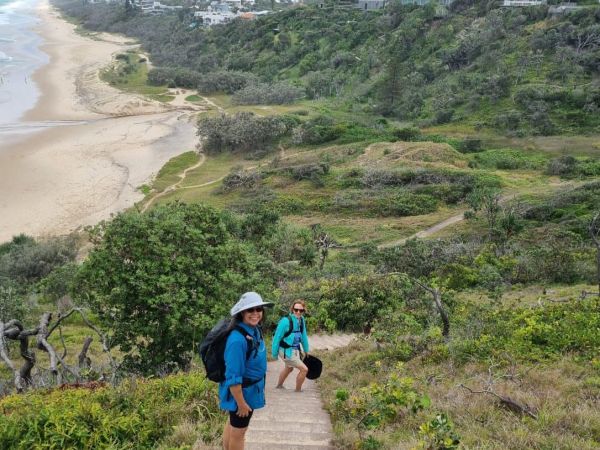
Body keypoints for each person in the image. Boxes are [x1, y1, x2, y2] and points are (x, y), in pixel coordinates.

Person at [220, 292, 273, 450]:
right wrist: (241, 403)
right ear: (242, 312)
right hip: (242, 394)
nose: (256, 313)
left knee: (232, 425)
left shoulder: (253, 330)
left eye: (259, 309)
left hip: (250, 391)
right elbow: (233, 377)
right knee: (239, 434)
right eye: (251, 310)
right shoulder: (237, 340)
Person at [271, 299, 310, 392]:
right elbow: (277, 337)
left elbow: (303, 335)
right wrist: (274, 354)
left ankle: (279, 386)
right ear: (292, 309)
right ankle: (298, 390)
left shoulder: (302, 320)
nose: (298, 312)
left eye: (301, 310)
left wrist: (306, 349)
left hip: (294, 349)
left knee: (289, 368)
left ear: (303, 311)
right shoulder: (285, 321)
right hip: (285, 350)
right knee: (304, 369)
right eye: (296, 309)